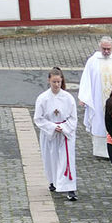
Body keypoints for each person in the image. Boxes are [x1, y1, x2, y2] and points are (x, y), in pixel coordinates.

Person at [33, 67, 78, 201]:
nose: (57, 85)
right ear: (49, 81)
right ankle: (53, 181)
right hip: (50, 133)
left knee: (67, 160)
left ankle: (70, 188)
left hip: (65, 133)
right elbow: (38, 118)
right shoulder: (43, 98)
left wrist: (63, 127)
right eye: (54, 82)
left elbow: (73, 117)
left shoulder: (68, 98)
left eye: (59, 82)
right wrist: (52, 127)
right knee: (50, 158)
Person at [78, 36, 112, 158]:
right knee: (99, 122)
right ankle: (100, 151)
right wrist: (84, 97)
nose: (106, 51)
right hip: (97, 99)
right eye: (104, 49)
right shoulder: (92, 61)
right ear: (100, 47)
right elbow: (86, 79)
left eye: (109, 49)